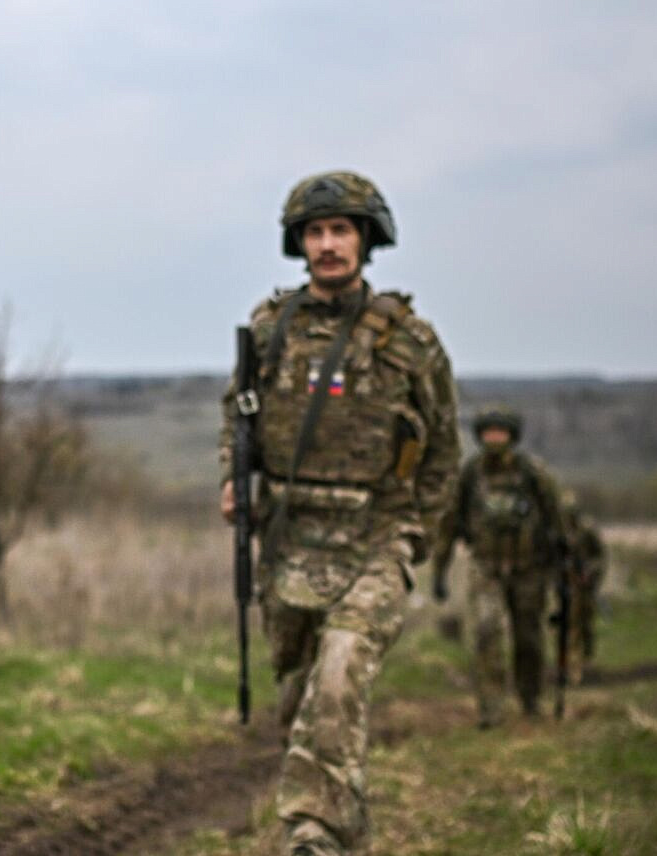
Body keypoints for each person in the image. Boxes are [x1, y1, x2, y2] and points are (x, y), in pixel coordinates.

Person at [220, 171, 459, 856]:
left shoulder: (410, 342)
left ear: (366, 239)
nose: (328, 244)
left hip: (377, 535)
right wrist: (232, 481)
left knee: (340, 674)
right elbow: (236, 417)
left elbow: (444, 449)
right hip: (291, 535)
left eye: (341, 231)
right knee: (301, 697)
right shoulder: (271, 331)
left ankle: (311, 832)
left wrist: (416, 539)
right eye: (317, 232)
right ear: (300, 242)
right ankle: (345, 827)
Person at [430, 407, 566, 726]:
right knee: (486, 631)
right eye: (488, 432)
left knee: (529, 637)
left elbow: (557, 520)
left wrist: (562, 561)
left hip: (529, 568)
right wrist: (440, 569)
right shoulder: (471, 474)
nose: (494, 438)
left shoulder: (532, 473)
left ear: (512, 437)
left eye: (500, 432)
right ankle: (490, 707)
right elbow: (449, 524)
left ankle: (530, 699)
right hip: (486, 567)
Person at [560, 501, 607, 685]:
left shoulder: (586, 531)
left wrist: (590, 573)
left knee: (585, 624)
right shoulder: (558, 532)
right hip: (567, 584)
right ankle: (573, 668)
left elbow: (600, 557)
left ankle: (586, 662)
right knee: (571, 627)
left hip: (585, 586)